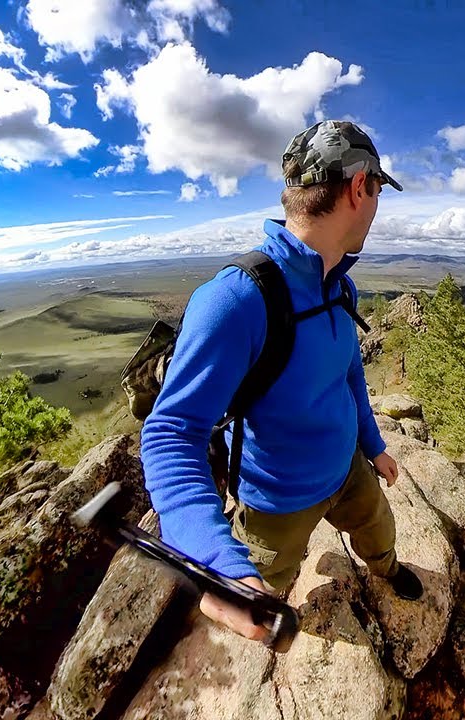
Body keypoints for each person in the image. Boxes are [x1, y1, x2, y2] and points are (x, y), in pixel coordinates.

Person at [140, 120, 423, 644]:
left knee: (378, 533)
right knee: (267, 593)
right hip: (276, 502)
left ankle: (385, 570)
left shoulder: (340, 285)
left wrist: (374, 445)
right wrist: (215, 560)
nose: (379, 202)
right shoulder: (237, 299)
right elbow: (170, 433)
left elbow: (349, 373)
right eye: (379, 189)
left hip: (348, 470)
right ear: (360, 188)